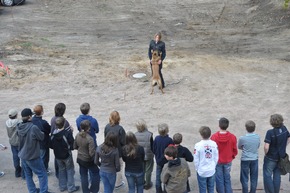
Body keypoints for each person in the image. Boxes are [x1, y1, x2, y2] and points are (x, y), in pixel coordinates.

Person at [17, 108, 49, 193]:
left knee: (28, 175)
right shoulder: (33, 127)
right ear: (29, 117)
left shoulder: (19, 126)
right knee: (42, 174)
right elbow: (41, 137)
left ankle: (32, 191)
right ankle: (43, 191)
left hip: (23, 155)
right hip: (32, 156)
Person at [50, 116, 80, 193]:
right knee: (70, 170)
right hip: (66, 155)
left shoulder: (53, 135)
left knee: (61, 170)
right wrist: (71, 132)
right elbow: (72, 145)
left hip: (57, 156)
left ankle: (62, 187)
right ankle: (71, 187)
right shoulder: (67, 134)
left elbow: (51, 145)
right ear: (64, 124)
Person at [263, 114, 290, 193]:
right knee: (277, 175)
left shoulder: (270, 132)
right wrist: (284, 145)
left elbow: (266, 147)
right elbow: (289, 137)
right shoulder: (284, 129)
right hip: (281, 157)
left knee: (267, 176)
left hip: (271, 157)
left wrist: (266, 153)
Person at [211, 117, 237, 193]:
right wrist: (232, 156)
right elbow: (235, 150)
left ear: (219, 125)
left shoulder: (214, 137)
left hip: (218, 161)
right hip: (228, 160)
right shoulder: (232, 137)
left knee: (219, 179)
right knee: (227, 178)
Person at [74, 120, 100, 193]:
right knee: (96, 173)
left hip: (80, 158)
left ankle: (85, 191)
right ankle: (94, 190)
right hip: (88, 160)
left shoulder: (77, 135)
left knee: (83, 175)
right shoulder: (90, 139)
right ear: (89, 128)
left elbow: (74, 146)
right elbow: (91, 153)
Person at [104, 111, 126, 189]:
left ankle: (111, 181)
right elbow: (123, 142)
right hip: (118, 152)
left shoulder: (107, 127)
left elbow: (105, 139)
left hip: (109, 150)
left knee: (111, 166)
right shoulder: (120, 129)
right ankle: (118, 183)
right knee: (119, 167)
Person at [51, 102, 73, 178]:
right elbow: (68, 135)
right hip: (64, 147)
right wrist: (71, 130)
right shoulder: (65, 122)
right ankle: (67, 178)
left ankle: (58, 175)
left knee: (57, 160)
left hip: (55, 144)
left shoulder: (53, 119)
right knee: (68, 165)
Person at [194, 126, 219, 193]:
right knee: (211, 188)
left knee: (202, 189)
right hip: (211, 170)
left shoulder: (198, 145)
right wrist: (214, 165)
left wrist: (197, 169)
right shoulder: (214, 144)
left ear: (201, 135)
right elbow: (216, 157)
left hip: (202, 171)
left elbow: (196, 159)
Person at [238, 120, 260, 193]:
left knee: (244, 178)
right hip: (254, 159)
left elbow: (239, 147)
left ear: (246, 128)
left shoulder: (242, 138)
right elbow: (257, 146)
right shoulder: (257, 137)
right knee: (254, 178)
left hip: (245, 159)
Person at [153, 123, 173, 193]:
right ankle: (165, 191)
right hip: (167, 162)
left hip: (158, 161)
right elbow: (172, 151)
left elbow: (154, 149)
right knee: (166, 178)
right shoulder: (169, 140)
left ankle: (158, 191)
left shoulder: (157, 138)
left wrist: (157, 155)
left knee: (158, 178)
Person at [134, 119, 154, 190]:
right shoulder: (149, 134)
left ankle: (142, 182)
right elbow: (152, 146)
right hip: (148, 155)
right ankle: (148, 184)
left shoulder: (135, 135)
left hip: (139, 156)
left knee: (142, 169)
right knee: (148, 170)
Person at [32, 105, 51, 174]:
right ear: (42, 112)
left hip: (34, 142)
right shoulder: (43, 122)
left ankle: (38, 168)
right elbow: (49, 130)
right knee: (44, 157)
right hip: (42, 143)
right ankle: (44, 170)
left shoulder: (32, 120)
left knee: (37, 157)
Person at [5, 109, 24, 178]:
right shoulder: (19, 122)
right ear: (16, 115)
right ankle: (23, 173)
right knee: (22, 157)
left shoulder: (7, 122)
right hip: (19, 142)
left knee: (15, 157)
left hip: (12, 142)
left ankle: (17, 172)